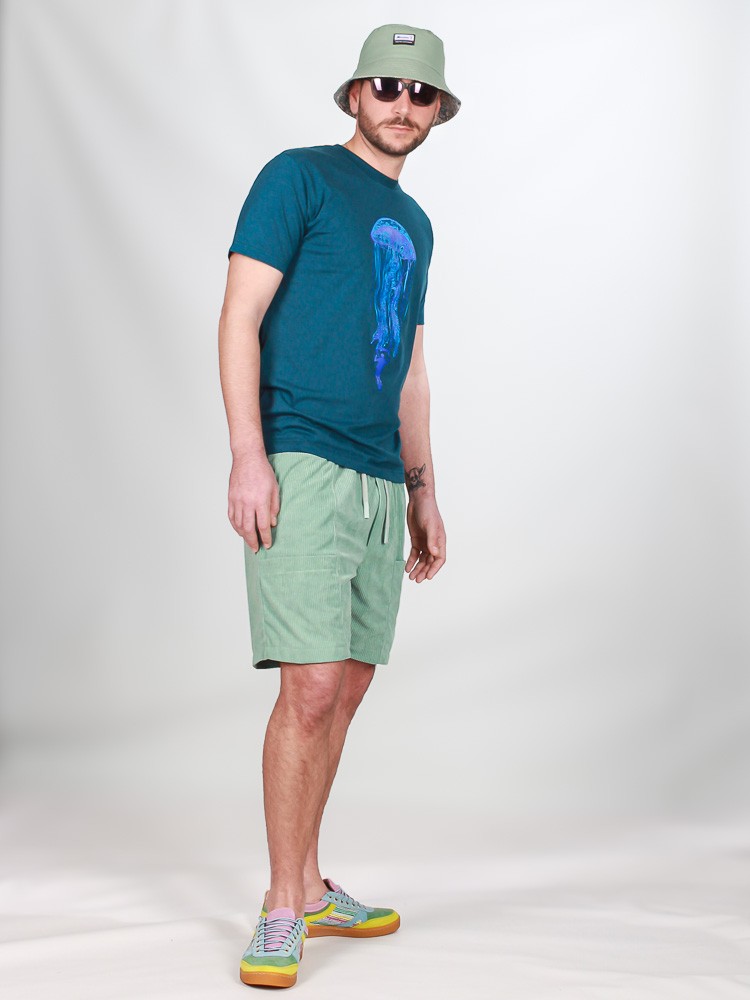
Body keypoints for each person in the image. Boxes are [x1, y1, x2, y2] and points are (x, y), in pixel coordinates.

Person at [218, 22, 460, 989]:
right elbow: (239, 316)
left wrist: (425, 489)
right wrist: (249, 455)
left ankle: (312, 883)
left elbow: (411, 368)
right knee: (309, 688)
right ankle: (283, 906)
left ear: (438, 111)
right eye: (386, 85)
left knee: (349, 686)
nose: (403, 103)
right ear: (355, 93)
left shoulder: (420, 224)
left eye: (421, 91)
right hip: (303, 458)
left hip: (378, 477)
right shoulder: (299, 178)